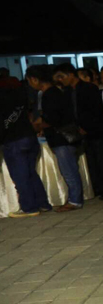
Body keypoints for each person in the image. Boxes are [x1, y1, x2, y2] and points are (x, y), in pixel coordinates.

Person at [30, 66, 83, 212]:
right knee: (70, 168)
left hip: (62, 137)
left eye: (30, 81)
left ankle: (75, 200)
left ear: (35, 79)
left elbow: (53, 118)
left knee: (68, 170)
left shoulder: (50, 94)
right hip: (63, 136)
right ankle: (74, 199)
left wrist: (39, 127)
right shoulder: (55, 92)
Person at [2, 71, 51, 217]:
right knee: (31, 173)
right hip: (29, 137)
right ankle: (42, 203)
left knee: (20, 176)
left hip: (13, 141)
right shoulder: (21, 96)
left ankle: (29, 208)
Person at [68, 63, 103, 200]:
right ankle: (98, 187)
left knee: (102, 160)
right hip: (86, 132)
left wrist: (86, 126)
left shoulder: (92, 89)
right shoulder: (73, 91)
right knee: (93, 161)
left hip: (97, 130)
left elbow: (96, 112)